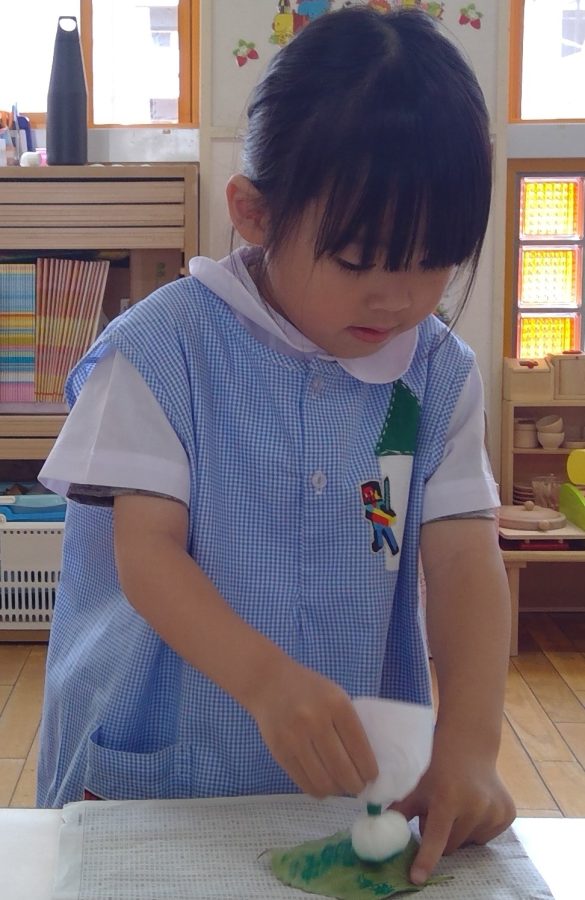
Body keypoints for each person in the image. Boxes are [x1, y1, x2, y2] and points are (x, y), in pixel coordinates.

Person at [37, 5, 515, 885]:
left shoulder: (437, 375)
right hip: (160, 770)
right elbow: (147, 555)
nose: (397, 298)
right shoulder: (163, 350)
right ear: (253, 213)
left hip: (343, 782)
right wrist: (264, 680)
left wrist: (470, 745)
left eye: (432, 260)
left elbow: (462, 559)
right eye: (359, 260)